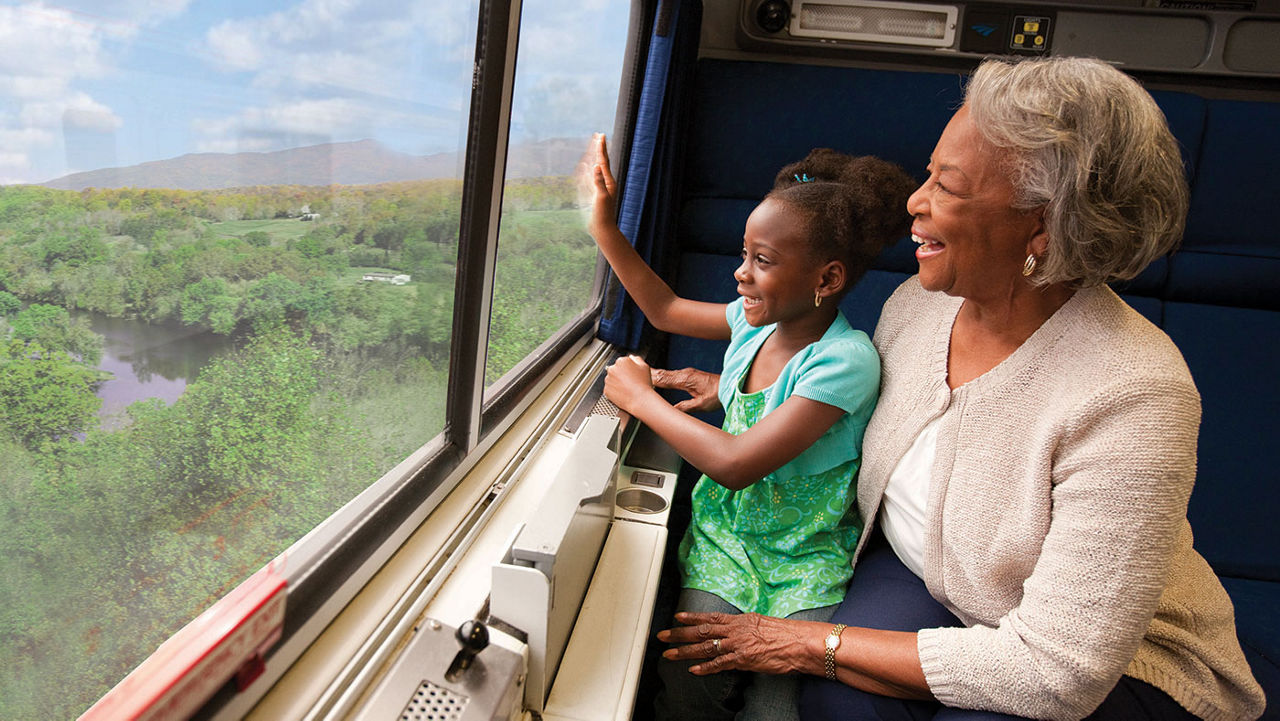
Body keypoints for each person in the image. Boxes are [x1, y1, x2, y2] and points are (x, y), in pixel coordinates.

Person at [653, 57, 1266, 721]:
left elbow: (1058, 672)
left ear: (1043, 226)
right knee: (840, 705)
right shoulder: (918, 305)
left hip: (1103, 656)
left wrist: (807, 640)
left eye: (946, 187)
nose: (915, 201)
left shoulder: (1137, 392)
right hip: (938, 578)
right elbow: (833, 411)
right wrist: (734, 388)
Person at [584, 134, 916, 720]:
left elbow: (737, 464)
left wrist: (641, 399)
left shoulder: (844, 360)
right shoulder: (751, 323)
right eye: (743, 254)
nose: (740, 274)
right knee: (688, 679)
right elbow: (664, 310)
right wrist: (605, 230)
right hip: (727, 541)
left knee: (778, 705)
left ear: (828, 279)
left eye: (762, 261)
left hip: (804, 557)